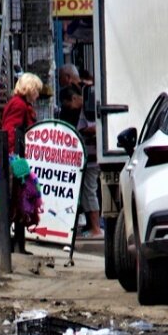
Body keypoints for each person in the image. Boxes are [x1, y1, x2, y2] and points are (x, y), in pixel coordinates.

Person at [1, 72, 42, 253]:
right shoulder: (19, 105)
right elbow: (12, 133)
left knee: (21, 197)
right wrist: (15, 161)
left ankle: (18, 244)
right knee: (22, 196)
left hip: (15, 156)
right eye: (37, 91)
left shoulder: (18, 103)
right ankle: (15, 245)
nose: (38, 95)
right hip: (15, 158)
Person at [58, 85, 103, 238]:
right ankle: (92, 227)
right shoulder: (78, 111)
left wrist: (79, 132)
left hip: (91, 158)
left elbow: (96, 129)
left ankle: (96, 228)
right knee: (85, 193)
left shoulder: (89, 110)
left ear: (75, 98)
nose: (69, 108)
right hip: (84, 157)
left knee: (89, 191)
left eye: (69, 103)